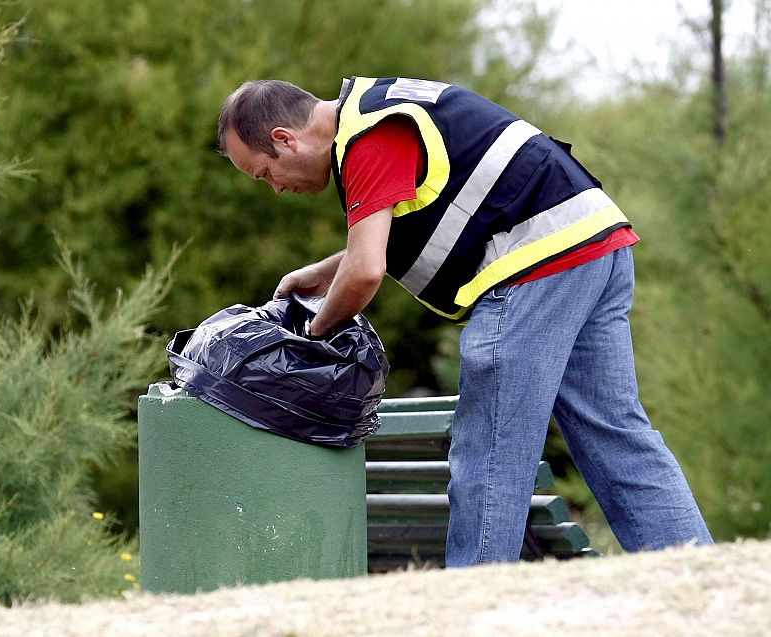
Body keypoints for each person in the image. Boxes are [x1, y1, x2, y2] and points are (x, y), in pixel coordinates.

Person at [217, 76, 714, 564]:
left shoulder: (368, 137)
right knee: (615, 433)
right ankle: (693, 571)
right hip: (594, 243)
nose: (275, 189)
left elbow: (366, 271)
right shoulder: (379, 109)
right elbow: (392, 238)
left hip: (536, 265)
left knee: (490, 447)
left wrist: (311, 336)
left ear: (285, 139)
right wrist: (325, 272)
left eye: (265, 173)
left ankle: (475, 593)